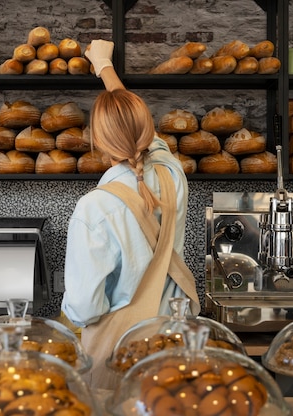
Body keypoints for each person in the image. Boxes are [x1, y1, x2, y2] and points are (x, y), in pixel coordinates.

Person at [61, 39, 200, 389]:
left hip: (117, 355)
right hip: (172, 343)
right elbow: (142, 134)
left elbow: (84, 308)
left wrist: (100, 64)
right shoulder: (173, 172)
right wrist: (104, 67)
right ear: (148, 131)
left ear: (98, 142)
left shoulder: (94, 208)